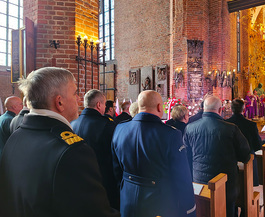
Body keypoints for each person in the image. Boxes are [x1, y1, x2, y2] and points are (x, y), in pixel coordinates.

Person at [0, 67, 120, 217]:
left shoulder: (16, 137)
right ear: (60, 102)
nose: (78, 99)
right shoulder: (73, 151)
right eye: (75, 93)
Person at [112, 90, 196, 217]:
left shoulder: (120, 129)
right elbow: (181, 177)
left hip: (128, 200)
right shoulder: (171, 134)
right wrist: (190, 209)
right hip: (159, 204)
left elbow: (117, 169)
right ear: (158, 107)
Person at [183, 95, 251, 217]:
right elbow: (245, 155)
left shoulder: (190, 128)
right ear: (220, 110)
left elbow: (186, 156)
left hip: (199, 183)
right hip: (226, 185)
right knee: (227, 211)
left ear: (204, 108)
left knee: (203, 211)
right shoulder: (231, 129)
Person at [71, 89, 119, 209]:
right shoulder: (106, 124)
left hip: (78, 176)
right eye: (103, 104)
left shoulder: (73, 123)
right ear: (99, 105)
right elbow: (115, 153)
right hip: (102, 179)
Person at [226, 99, 262, 187]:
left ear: (231, 109)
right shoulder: (251, 125)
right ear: (244, 109)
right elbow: (258, 145)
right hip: (248, 157)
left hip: (230, 159)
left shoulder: (225, 124)